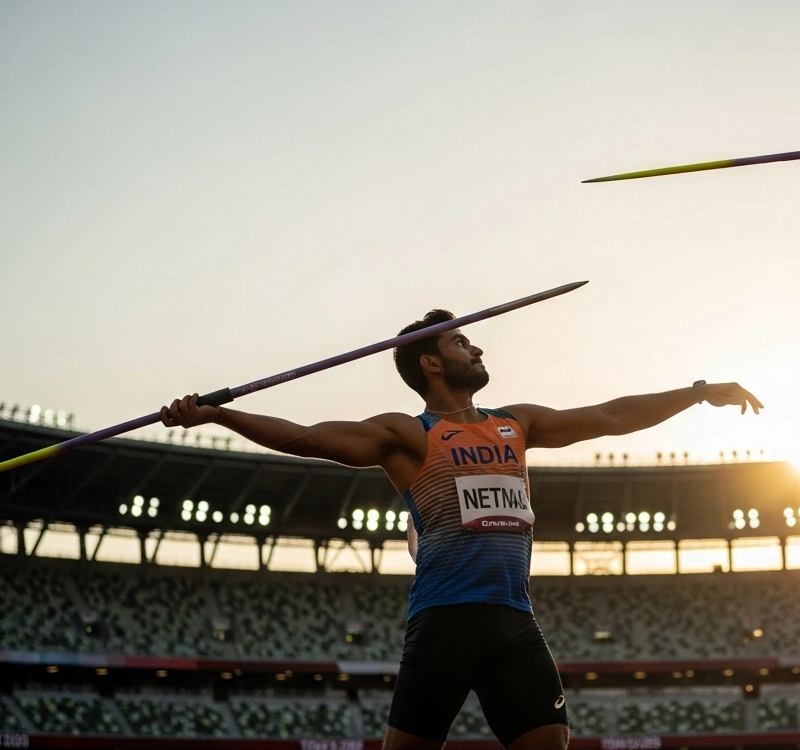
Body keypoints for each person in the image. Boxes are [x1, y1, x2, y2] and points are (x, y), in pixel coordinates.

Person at [160, 309, 764, 750]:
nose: (476, 350)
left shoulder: (516, 424)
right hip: (444, 624)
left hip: (515, 623)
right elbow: (307, 437)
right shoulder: (408, 434)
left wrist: (698, 392)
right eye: (462, 342)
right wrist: (217, 414)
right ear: (431, 361)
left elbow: (608, 416)